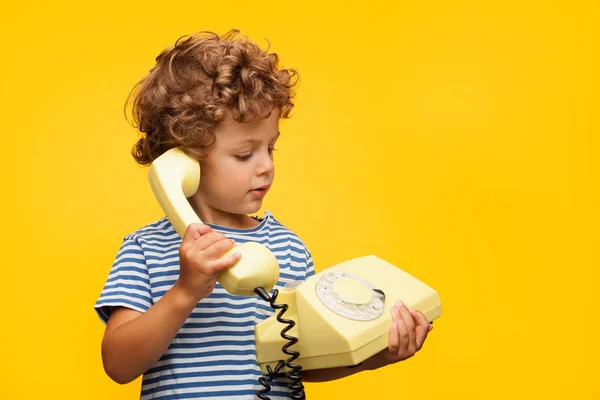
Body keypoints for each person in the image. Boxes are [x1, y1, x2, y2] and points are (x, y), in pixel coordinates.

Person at [94, 29, 433, 400]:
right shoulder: (145, 249)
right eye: (244, 155)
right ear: (183, 159)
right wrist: (185, 291)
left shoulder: (287, 248)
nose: (265, 167)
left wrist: (369, 357)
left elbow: (300, 358)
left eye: (271, 148)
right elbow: (119, 365)